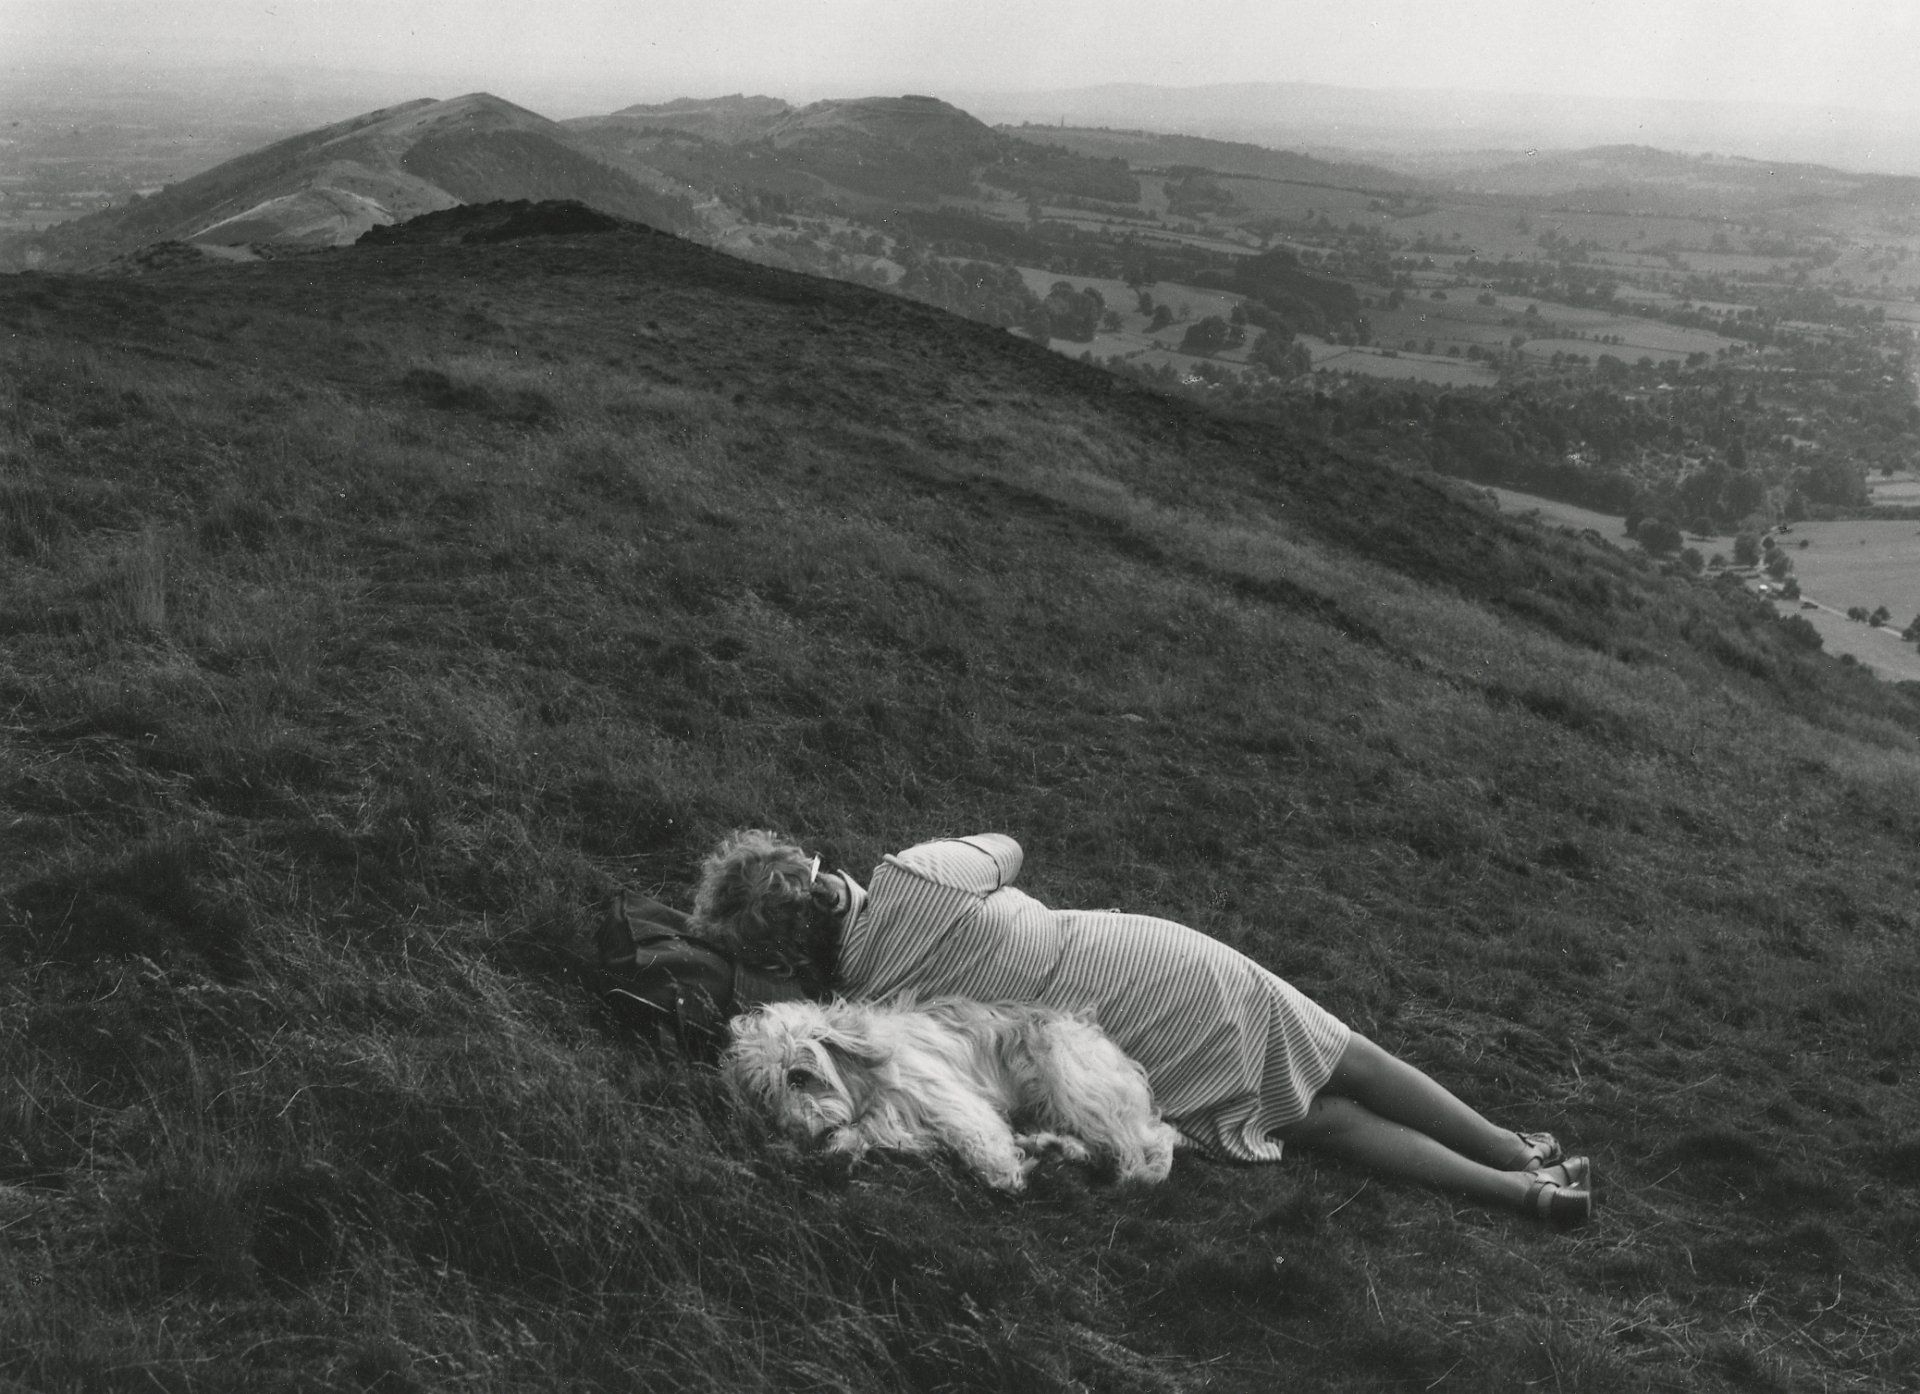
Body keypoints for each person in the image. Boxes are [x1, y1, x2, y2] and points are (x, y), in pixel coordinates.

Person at [651, 828, 1594, 1227]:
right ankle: (1518, 1149)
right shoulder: (913, 874)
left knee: (1318, 1122)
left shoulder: (872, 1011)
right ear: (822, 882)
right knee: (1349, 1057)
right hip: (1145, 961)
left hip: (1110, 1045)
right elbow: (1009, 848)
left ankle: (1520, 1197)